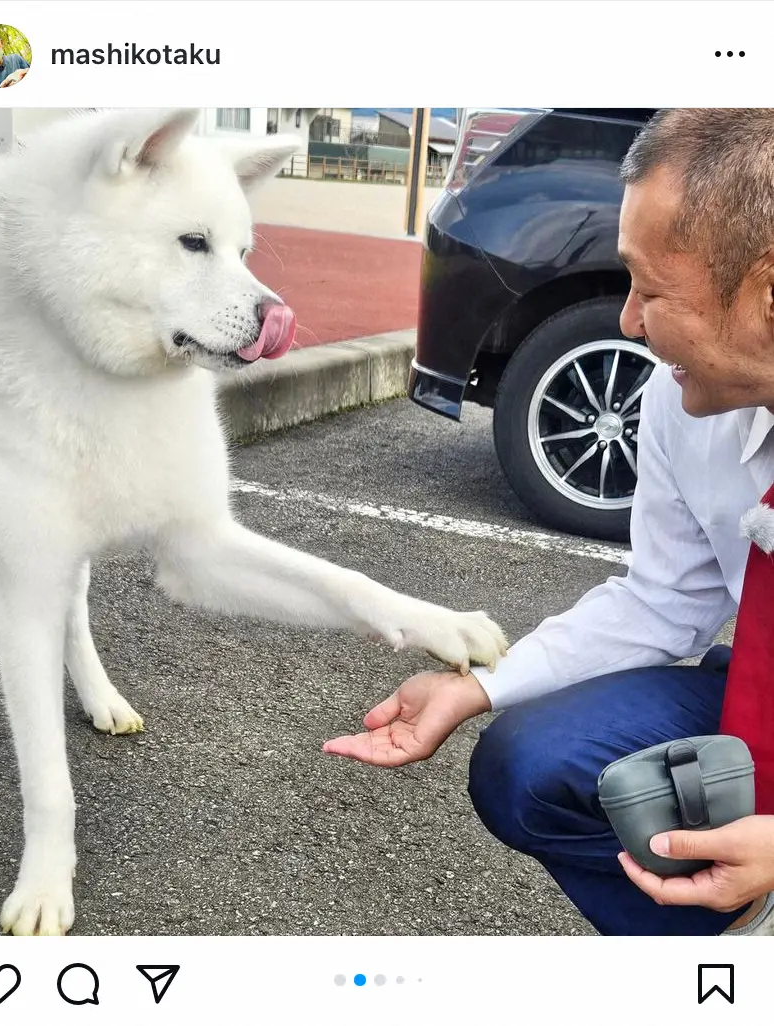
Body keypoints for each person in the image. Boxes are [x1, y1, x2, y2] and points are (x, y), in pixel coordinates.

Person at [324, 108, 774, 937]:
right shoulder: (683, 402)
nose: (629, 322)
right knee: (530, 764)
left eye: (652, 287)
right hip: (763, 685)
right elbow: (664, 600)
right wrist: (479, 689)